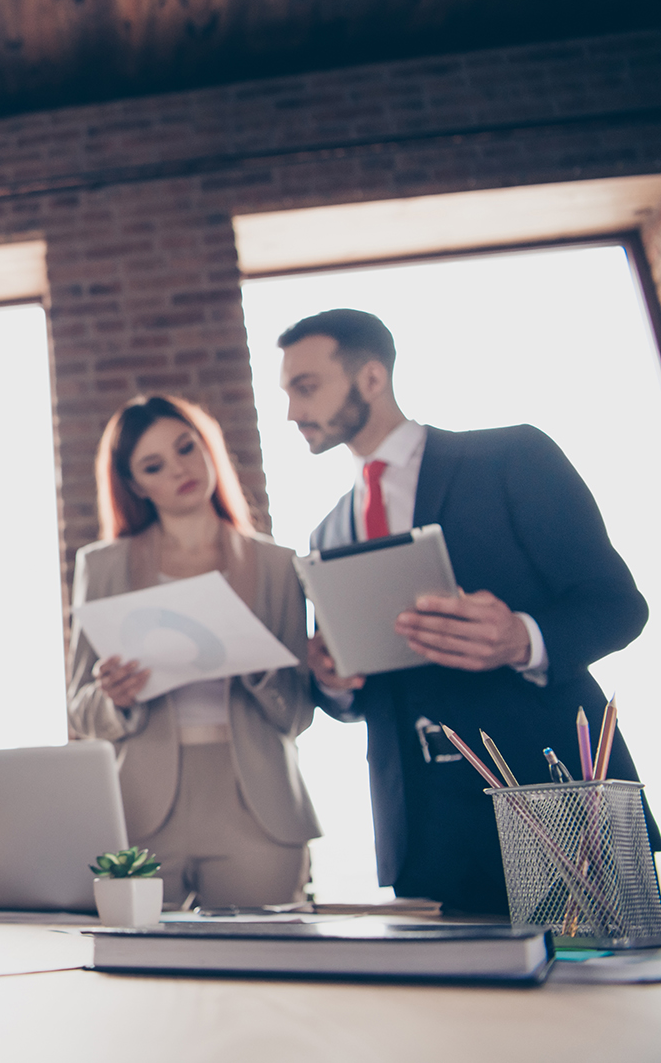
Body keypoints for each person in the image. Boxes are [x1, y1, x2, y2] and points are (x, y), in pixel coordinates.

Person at [279, 307, 651, 914]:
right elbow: (354, 698)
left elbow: (616, 604)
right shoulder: (326, 534)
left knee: (607, 1002)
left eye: (306, 386)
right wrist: (333, 680)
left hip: (555, 799)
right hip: (425, 832)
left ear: (371, 378)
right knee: (452, 1010)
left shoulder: (510, 458)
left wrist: (521, 638)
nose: (292, 411)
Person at [68, 395, 320, 908]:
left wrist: (258, 669)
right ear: (136, 485)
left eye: (186, 448)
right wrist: (116, 696)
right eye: (154, 466)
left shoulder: (278, 566)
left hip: (258, 806)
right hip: (142, 807)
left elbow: (297, 715)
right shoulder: (103, 567)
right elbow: (81, 709)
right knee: (144, 978)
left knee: (263, 973)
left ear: (208, 447)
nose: (179, 469)